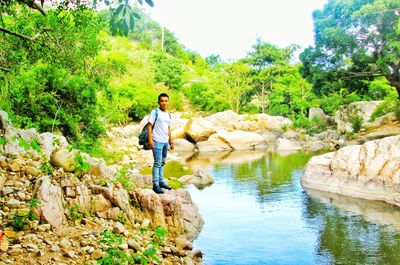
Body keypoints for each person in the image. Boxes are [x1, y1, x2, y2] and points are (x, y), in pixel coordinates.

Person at [147, 93, 174, 194]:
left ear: (168, 102)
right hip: (156, 141)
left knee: (162, 162)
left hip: (165, 141)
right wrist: (150, 140)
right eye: (162, 101)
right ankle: (155, 185)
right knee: (157, 162)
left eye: (166, 101)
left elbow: (168, 128)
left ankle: (161, 181)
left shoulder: (168, 114)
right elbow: (149, 125)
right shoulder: (155, 112)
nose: (164, 103)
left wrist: (171, 142)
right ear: (159, 102)